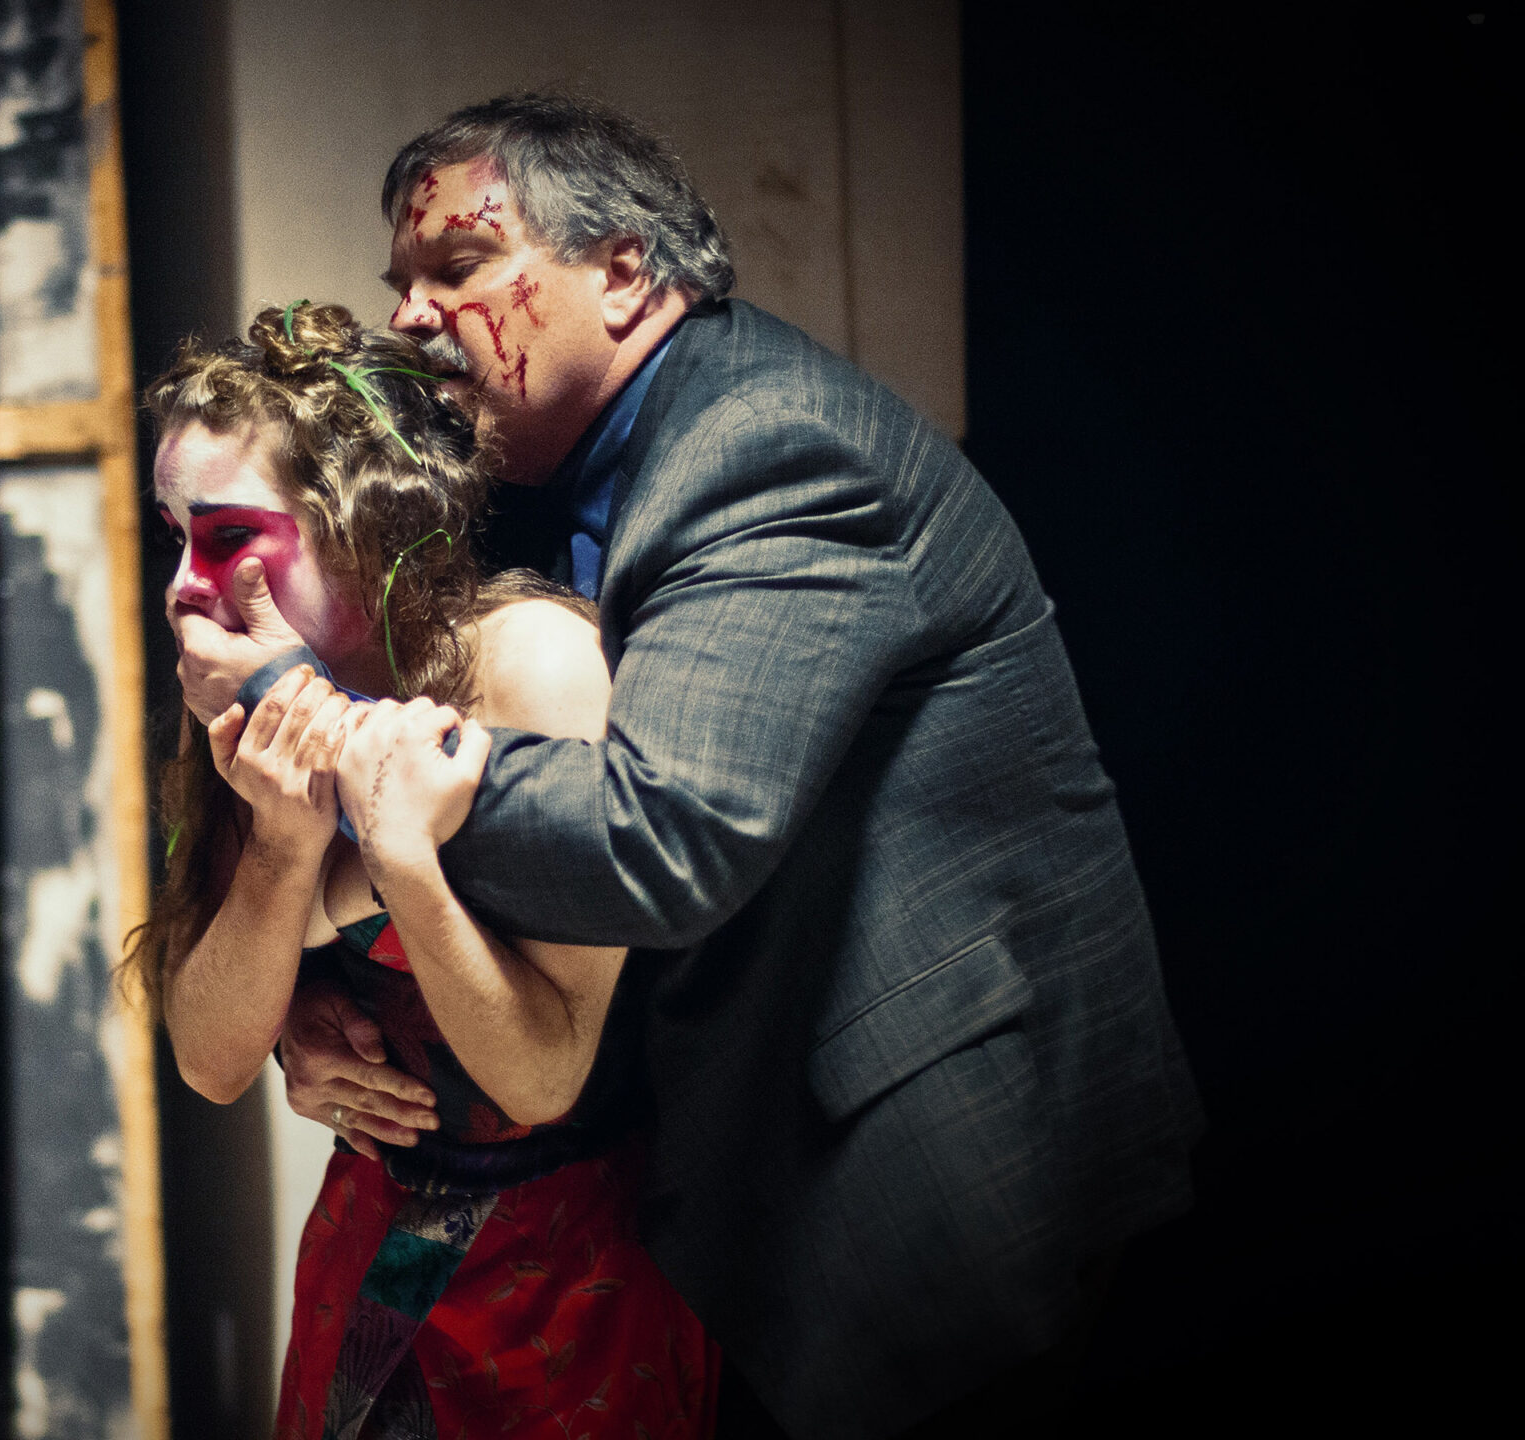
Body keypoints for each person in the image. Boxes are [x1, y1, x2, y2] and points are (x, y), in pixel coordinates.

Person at [172, 96, 1205, 1440]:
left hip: (913, 1145)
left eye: (460, 265)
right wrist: (312, 999)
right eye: (400, 281)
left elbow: (663, 837)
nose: (412, 316)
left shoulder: (769, 446)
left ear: (622, 270)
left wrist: (345, 788)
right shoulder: (522, 467)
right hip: (673, 1157)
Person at [130, 302, 718, 1440]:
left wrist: (398, 864)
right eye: (174, 537)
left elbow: (544, 1075)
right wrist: (283, 852)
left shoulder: (528, 665)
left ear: (359, 522)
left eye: (227, 536)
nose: (183, 586)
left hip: (572, 1262)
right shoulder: (248, 687)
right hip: (378, 1230)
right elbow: (207, 1058)